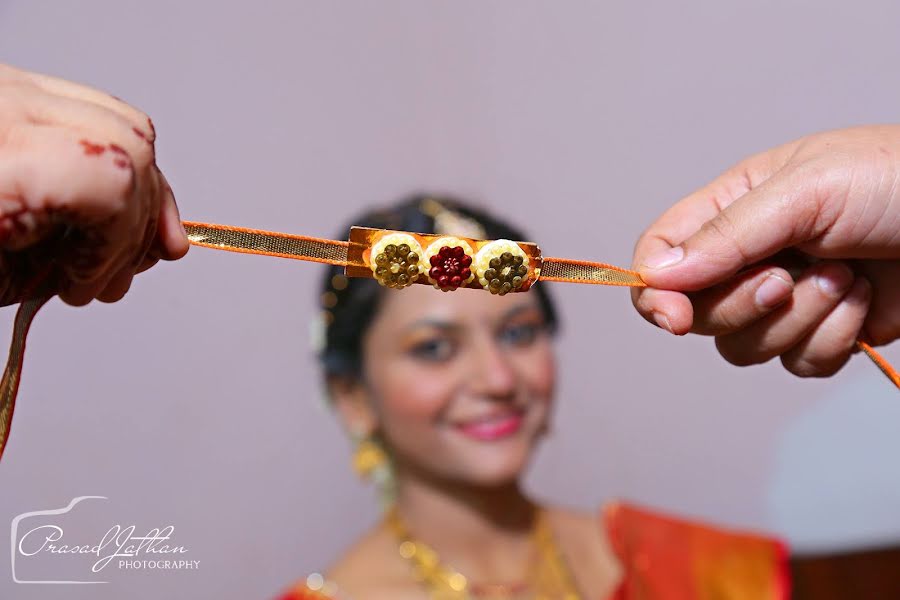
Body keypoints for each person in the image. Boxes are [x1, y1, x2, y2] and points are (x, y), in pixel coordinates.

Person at [274, 195, 789, 599]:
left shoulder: (696, 570)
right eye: (434, 348)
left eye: (518, 334)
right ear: (352, 398)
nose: (497, 379)